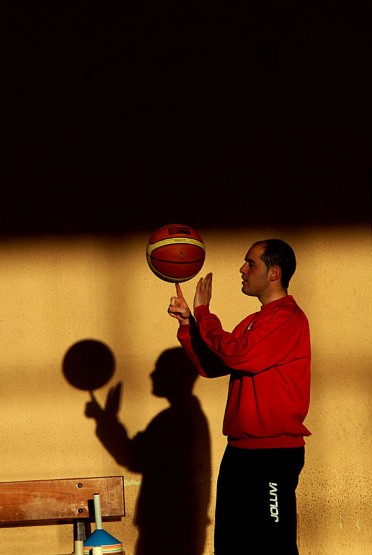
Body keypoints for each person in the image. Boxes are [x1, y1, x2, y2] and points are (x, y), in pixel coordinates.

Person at [167, 238, 311, 554]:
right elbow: (214, 364)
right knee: (232, 546)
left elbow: (238, 356)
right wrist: (188, 325)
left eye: (251, 263)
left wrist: (204, 312)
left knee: (273, 547)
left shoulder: (287, 317)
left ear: (274, 272)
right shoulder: (254, 322)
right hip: (240, 453)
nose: (242, 269)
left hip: (273, 455)